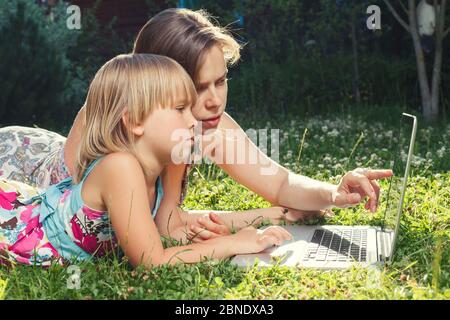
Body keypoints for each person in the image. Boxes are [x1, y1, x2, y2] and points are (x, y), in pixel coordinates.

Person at [0, 8, 393, 245]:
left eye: (220, 81)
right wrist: (257, 220)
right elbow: (141, 235)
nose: (214, 101)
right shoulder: (116, 115)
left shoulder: (208, 125)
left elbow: (280, 183)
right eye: (197, 87)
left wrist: (334, 193)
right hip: (18, 166)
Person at [0, 54, 292, 267]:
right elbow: (152, 262)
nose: (194, 121)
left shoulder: (162, 167)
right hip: (13, 227)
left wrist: (275, 214)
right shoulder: (120, 167)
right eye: (180, 109)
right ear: (135, 121)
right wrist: (234, 243)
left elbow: (172, 230)